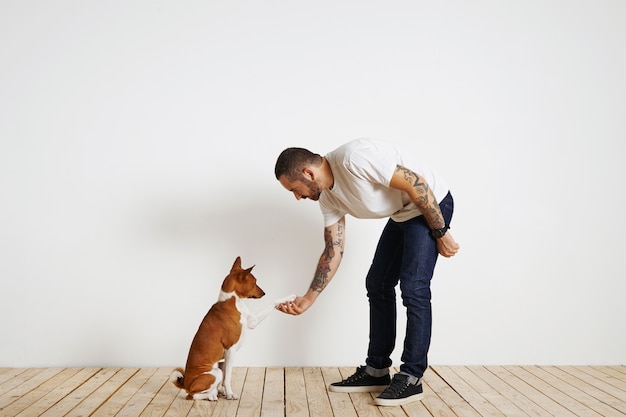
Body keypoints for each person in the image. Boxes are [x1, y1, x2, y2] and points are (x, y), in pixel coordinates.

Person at [273, 138, 459, 406]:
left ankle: (411, 376)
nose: (298, 197)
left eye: (295, 189)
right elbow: (332, 251)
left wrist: (440, 232)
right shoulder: (327, 198)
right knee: (378, 283)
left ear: (308, 173)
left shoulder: (353, 159)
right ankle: (377, 370)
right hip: (402, 213)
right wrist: (307, 299)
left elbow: (416, 182)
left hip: (430, 202)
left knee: (413, 286)